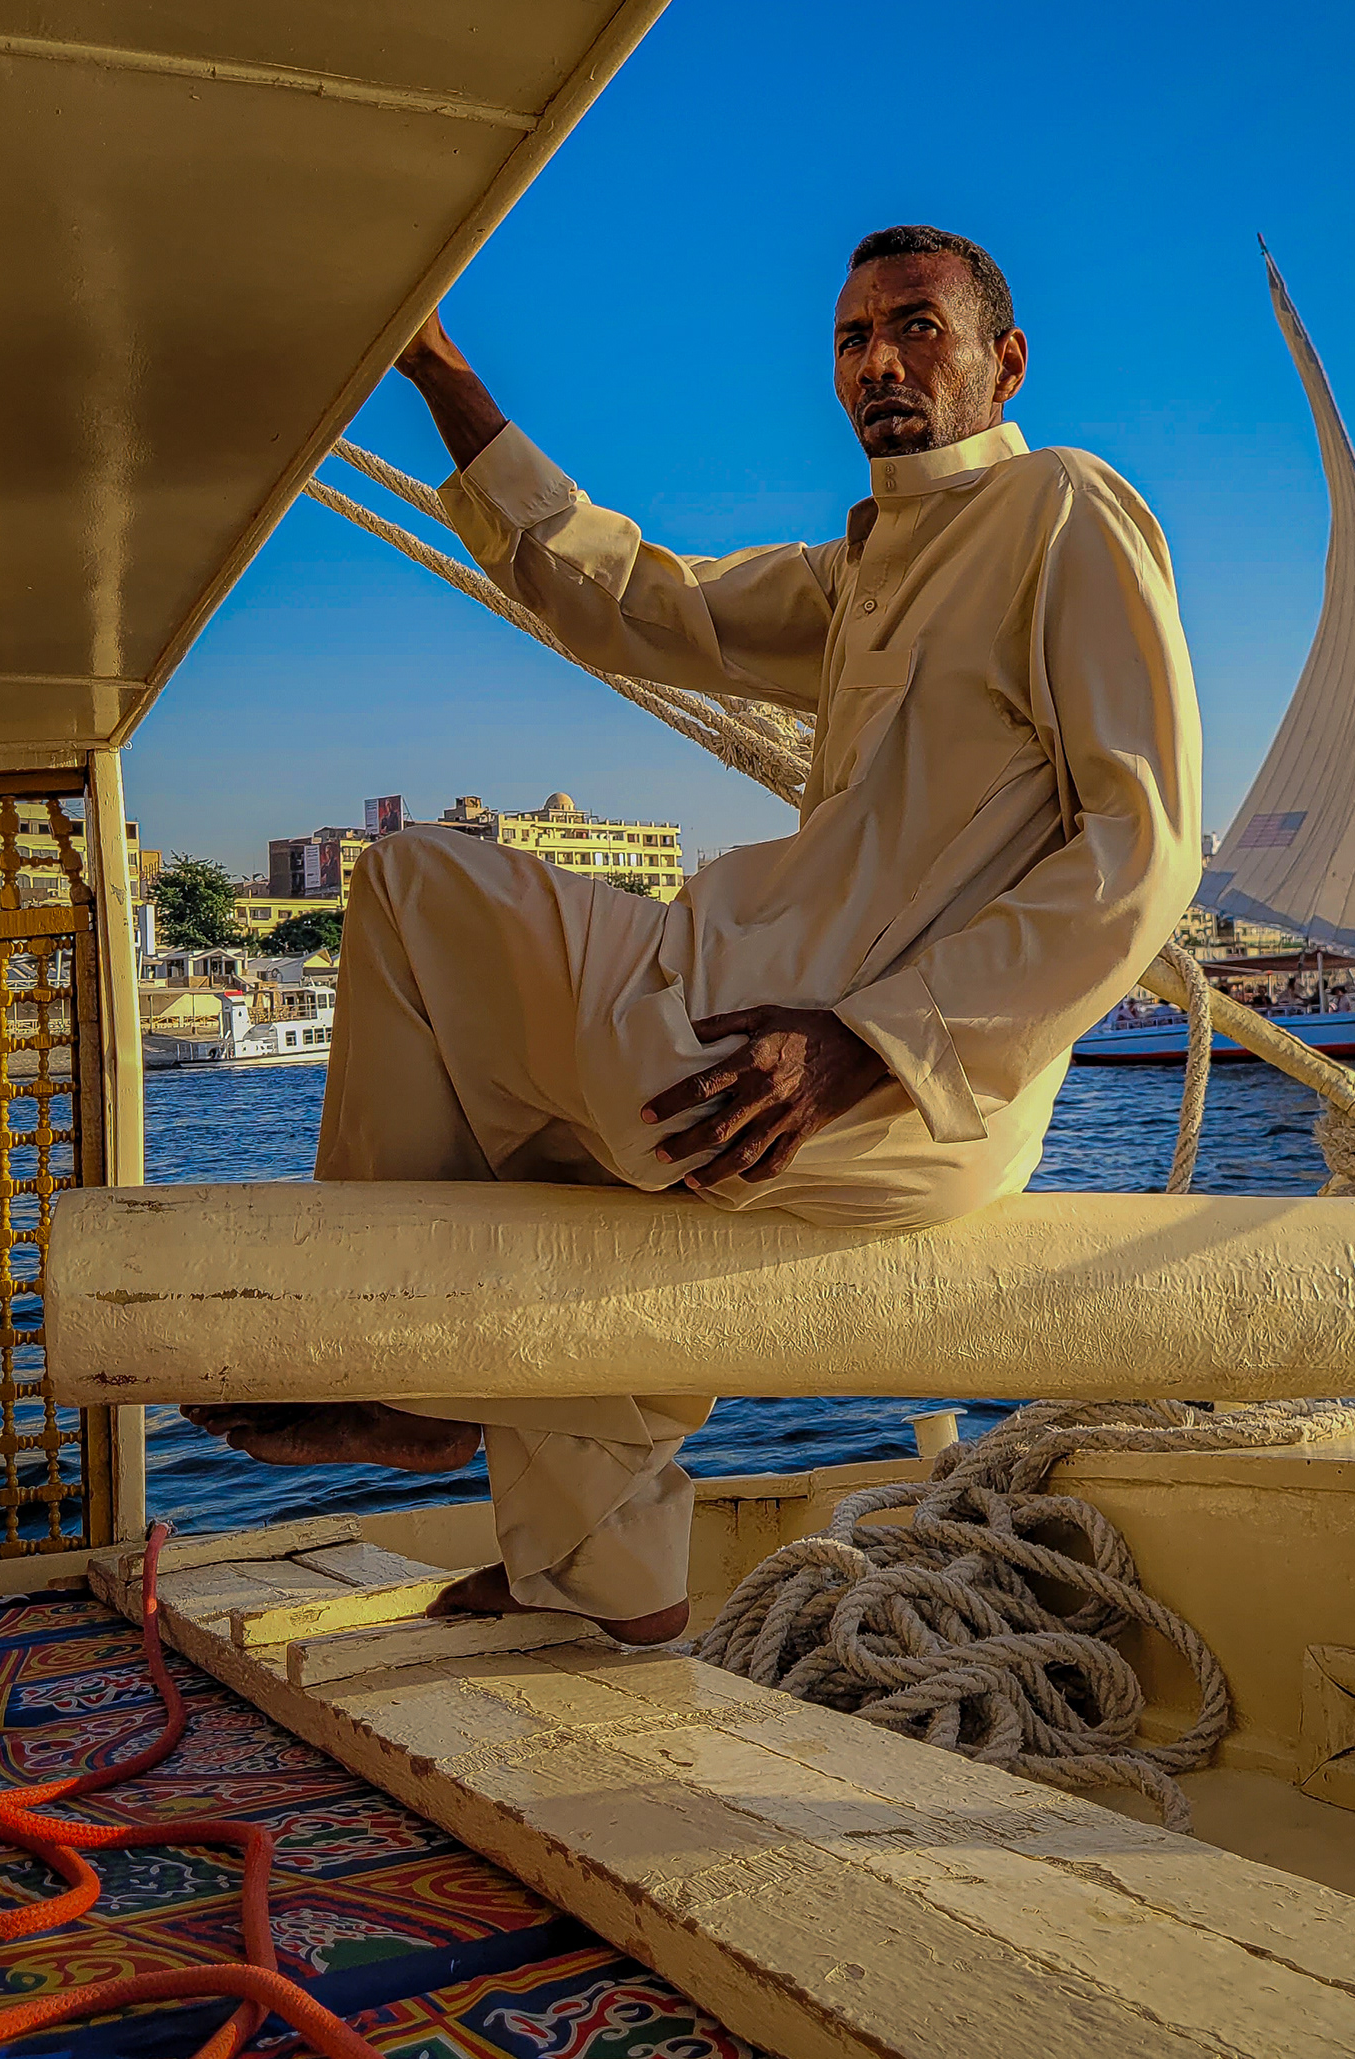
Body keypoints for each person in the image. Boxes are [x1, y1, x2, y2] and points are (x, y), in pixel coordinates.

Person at [184, 225, 1202, 1637]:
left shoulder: (1061, 510)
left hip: (853, 1073)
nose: (881, 365)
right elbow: (631, 599)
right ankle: (601, 1594)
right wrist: (438, 371)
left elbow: (1142, 852)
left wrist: (867, 1046)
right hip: (771, 1048)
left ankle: (396, 1374)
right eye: (854, 340)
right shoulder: (863, 576)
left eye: (917, 327)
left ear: (1002, 360)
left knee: (415, 889)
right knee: (548, 1154)